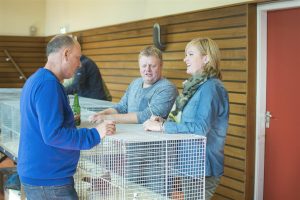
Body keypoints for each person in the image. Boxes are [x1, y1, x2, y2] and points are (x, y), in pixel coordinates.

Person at [17, 34, 116, 200]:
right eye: (77, 58)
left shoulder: (36, 79)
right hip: (49, 181)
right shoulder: (48, 85)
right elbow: (54, 134)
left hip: (40, 175)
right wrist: (95, 133)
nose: (79, 64)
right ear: (65, 54)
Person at [143, 37, 229, 200]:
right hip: (189, 165)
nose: (185, 59)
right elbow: (186, 122)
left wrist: (163, 128)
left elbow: (200, 128)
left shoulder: (211, 87)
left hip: (203, 168)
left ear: (206, 58)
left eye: (190, 54)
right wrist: (163, 122)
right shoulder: (195, 86)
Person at [89, 46, 178, 124]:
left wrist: (107, 118)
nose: (147, 69)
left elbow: (146, 116)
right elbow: (121, 107)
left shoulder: (167, 89)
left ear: (161, 65)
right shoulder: (135, 83)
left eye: (152, 66)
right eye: (144, 66)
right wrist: (102, 114)